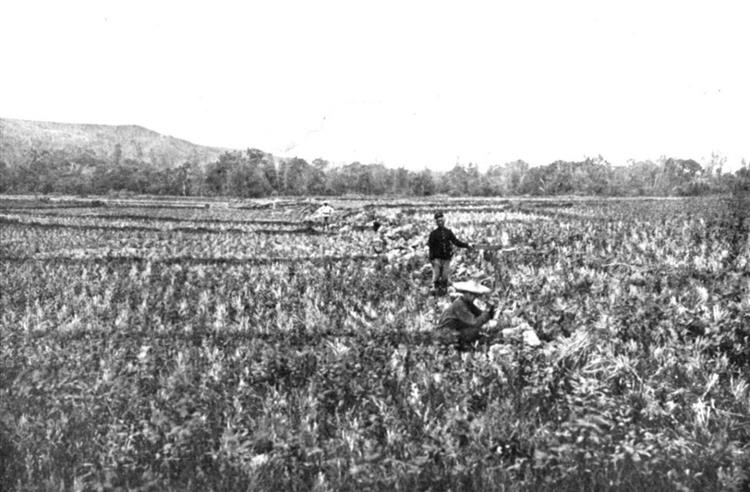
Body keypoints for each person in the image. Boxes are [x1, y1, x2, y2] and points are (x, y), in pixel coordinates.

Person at [436, 280, 497, 349]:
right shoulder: (459, 305)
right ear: (466, 294)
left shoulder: (467, 303)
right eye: (472, 295)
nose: (475, 297)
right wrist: (486, 314)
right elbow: (475, 322)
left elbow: (479, 314)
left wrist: (489, 312)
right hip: (446, 334)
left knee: (480, 330)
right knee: (475, 331)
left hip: (454, 330)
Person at [428, 211, 472, 296]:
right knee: (436, 275)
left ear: (444, 221)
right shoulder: (433, 234)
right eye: (438, 221)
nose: (440, 222)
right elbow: (431, 247)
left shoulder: (448, 232)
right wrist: (432, 259)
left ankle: (444, 292)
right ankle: (436, 293)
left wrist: (467, 245)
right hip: (437, 258)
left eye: (441, 220)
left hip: (446, 258)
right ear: (436, 222)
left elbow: (456, 242)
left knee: (445, 276)